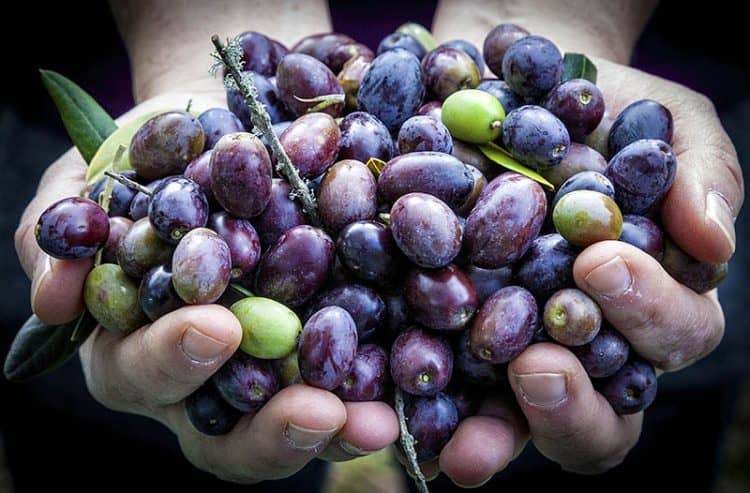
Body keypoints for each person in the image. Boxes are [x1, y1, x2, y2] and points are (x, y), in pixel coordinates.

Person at [6, 0, 746, 490]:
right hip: (121, 56)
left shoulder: (512, 177)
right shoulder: (247, 193)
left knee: (624, 390)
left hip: (669, 41)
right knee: (118, 429)